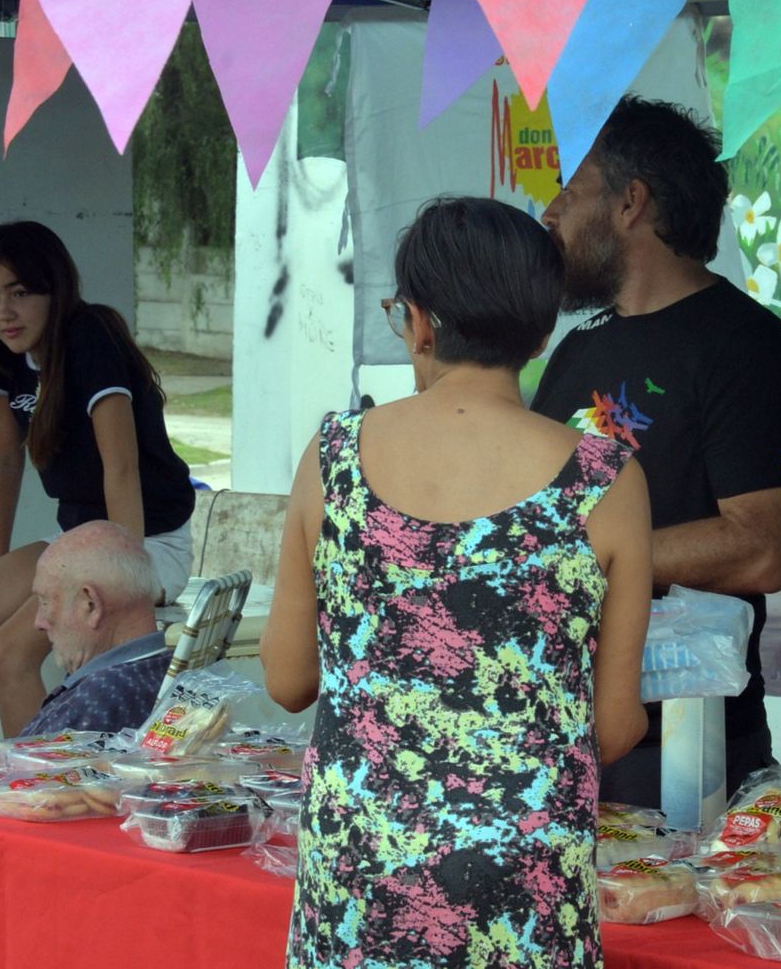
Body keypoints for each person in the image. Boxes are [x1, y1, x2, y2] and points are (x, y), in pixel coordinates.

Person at [261, 197, 652, 969]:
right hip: (527, 896)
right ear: (543, 333)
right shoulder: (606, 479)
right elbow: (614, 723)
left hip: (359, 883)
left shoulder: (335, 457)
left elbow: (287, 677)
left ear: (420, 321)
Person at [531, 96, 781, 806]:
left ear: (631, 203)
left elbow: (763, 549)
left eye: (571, 191)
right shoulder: (579, 347)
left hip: (684, 743)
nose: (551, 214)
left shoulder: (748, 347)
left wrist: (596, 557)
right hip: (556, 725)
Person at [0, 221, 195, 739]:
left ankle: (43, 800)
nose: (4, 313)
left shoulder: (91, 337)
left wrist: (120, 574)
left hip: (145, 541)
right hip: (75, 539)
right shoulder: (9, 353)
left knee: (9, 655)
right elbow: (4, 462)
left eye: (20, 293)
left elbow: (122, 467)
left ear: (54, 288)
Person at [20, 520, 171, 736]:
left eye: (45, 602)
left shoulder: (95, 701)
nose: (39, 622)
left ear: (91, 605)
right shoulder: (176, 671)